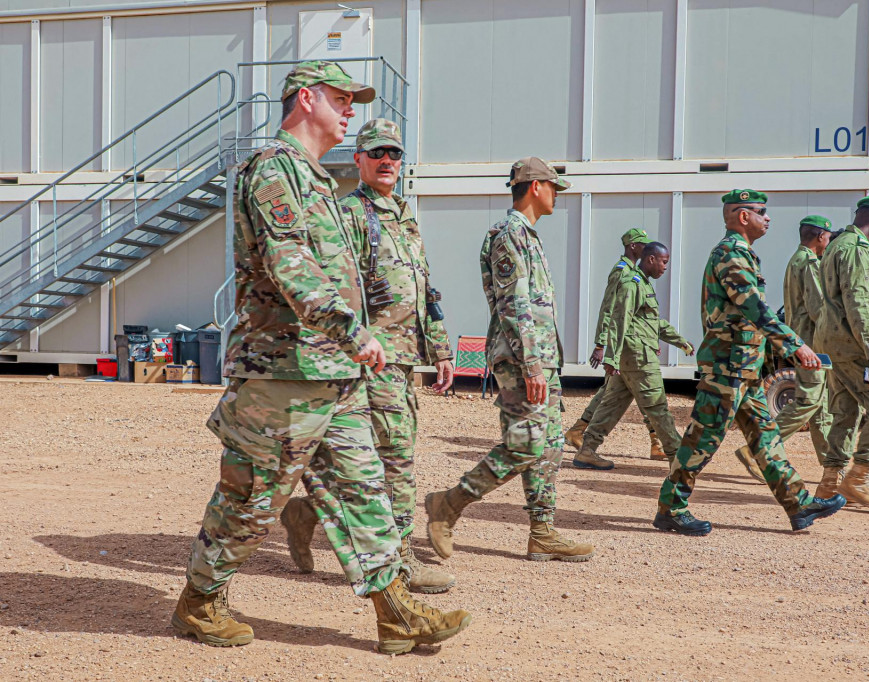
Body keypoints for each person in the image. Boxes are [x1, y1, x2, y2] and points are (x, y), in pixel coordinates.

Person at [171, 61, 469, 655]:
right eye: (341, 98)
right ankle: (200, 600)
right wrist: (351, 328)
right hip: (284, 371)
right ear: (305, 99)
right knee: (252, 497)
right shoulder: (273, 171)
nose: (350, 109)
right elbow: (290, 265)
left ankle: (395, 611)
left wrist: (353, 341)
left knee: (364, 490)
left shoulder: (319, 182)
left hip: (334, 371)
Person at [280, 118, 457, 595]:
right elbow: (334, 288)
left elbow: (423, 289)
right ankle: (399, 559)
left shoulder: (403, 216)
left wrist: (438, 348)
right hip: (370, 359)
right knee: (393, 460)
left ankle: (303, 515)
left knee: (380, 458)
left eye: (394, 154)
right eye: (377, 152)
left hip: (404, 359)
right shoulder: (348, 215)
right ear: (357, 159)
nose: (387, 161)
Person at [424, 157, 594, 563]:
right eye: (554, 187)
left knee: (549, 445)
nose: (557, 196)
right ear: (536, 187)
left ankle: (543, 532)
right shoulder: (508, 235)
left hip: (540, 357)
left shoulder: (528, 236)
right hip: (521, 359)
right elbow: (513, 303)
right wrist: (532, 363)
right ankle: (448, 504)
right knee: (525, 443)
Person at [653, 189, 846, 536]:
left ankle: (798, 503)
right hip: (728, 365)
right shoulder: (730, 253)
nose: (768, 217)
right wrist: (795, 345)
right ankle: (671, 507)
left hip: (745, 366)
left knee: (766, 436)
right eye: (761, 211)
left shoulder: (744, 254)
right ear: (743, 216)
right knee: (704, 438)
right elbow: (752, 307)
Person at [573, 241, 694, 470]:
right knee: (657, 407)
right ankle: (679, 457)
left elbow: (653, 323)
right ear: (651, 259)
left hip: (631, 358)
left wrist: (680, 342)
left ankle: (586, 451)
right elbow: (620, 321)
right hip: (638, 359)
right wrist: (611, 357)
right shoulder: (632, 284)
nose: (665, 267)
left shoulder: (644, 285)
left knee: (611, 405)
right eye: (664, 262)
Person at [816, 194, 869, 510]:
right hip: (854, 345)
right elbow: (858, 305)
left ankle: (830, 484)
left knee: (846, 411)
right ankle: (858, 478)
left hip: (835, 343)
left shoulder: (837, 245)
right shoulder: (855, 250)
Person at [734, 215, 835, 482]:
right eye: (827, 237)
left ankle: (833, 468)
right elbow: (818, 309)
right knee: (809, 401)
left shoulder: (795, 259)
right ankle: (758, 450)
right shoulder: (810, 262)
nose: (828, 242)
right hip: (812, 341)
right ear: (820, 237)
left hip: (801, 338)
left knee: (820, 405)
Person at [565, 228, 668, 460]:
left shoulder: (635, 273)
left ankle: (579, 430)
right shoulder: (622, 273)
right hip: (621, 344)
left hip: (632, 343)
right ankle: (656, 442)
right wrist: (603, 344)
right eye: (643, 244)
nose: (647, 249)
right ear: (633, 246)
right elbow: (610, 309)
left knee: (617, 391)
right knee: (632, 390)